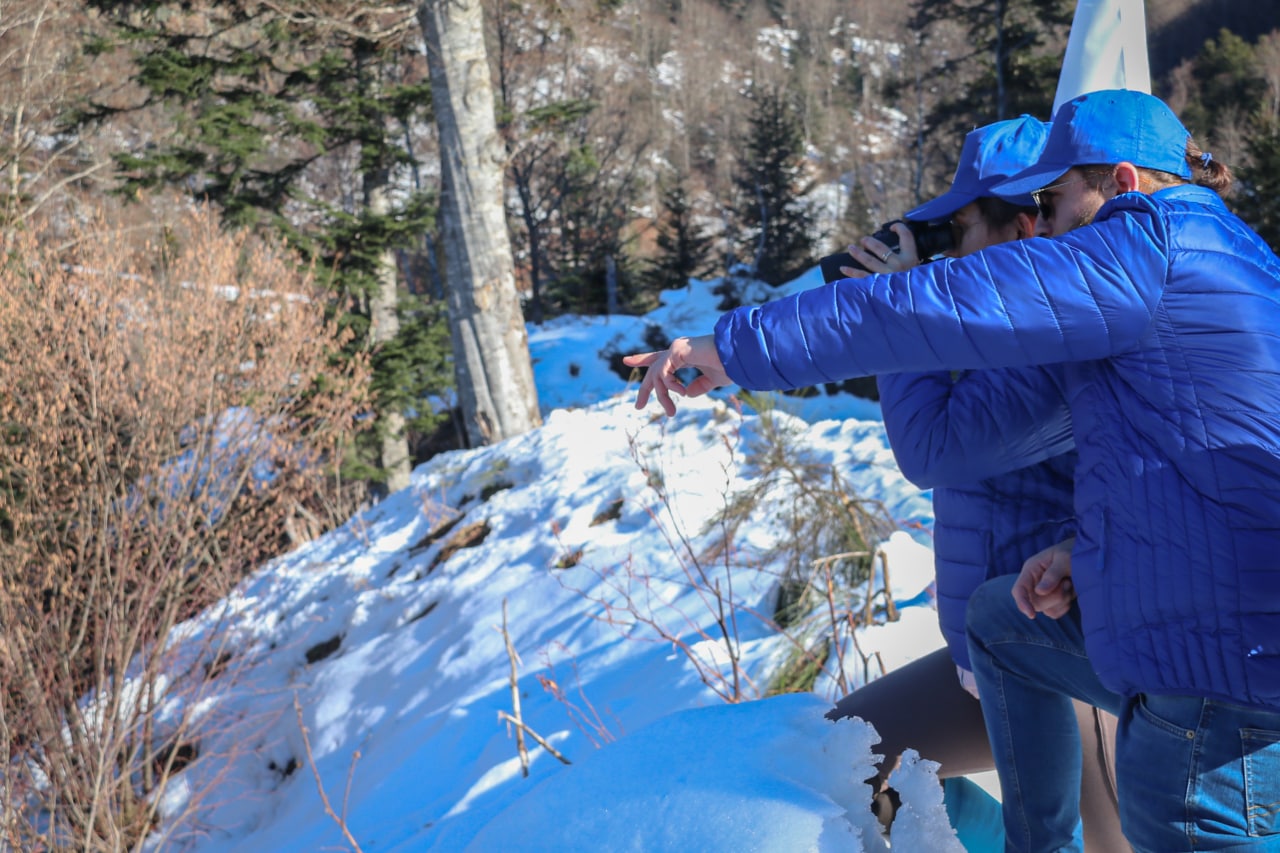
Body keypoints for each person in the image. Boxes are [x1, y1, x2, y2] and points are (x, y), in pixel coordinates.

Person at [622, 89, 1280, 852]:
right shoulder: (1232, 266)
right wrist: (1086, 547)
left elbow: (921, 326)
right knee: (999, 621)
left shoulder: (1144, 249)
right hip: (1182, 634)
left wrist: (733, 347)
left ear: (1124, 183)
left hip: (1205, 663)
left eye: (1052, 203)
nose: (1046, 228)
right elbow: (1200, 453)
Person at [822, 116, 1126, 852]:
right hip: (988, 658)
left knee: (1109, 843)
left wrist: (902, 309)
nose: (948, 254)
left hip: (1060, 647)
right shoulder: (992, 331)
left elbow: (933, 448)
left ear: (1026, 226)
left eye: (959, 231)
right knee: (838, 761)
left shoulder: (1056, 341)